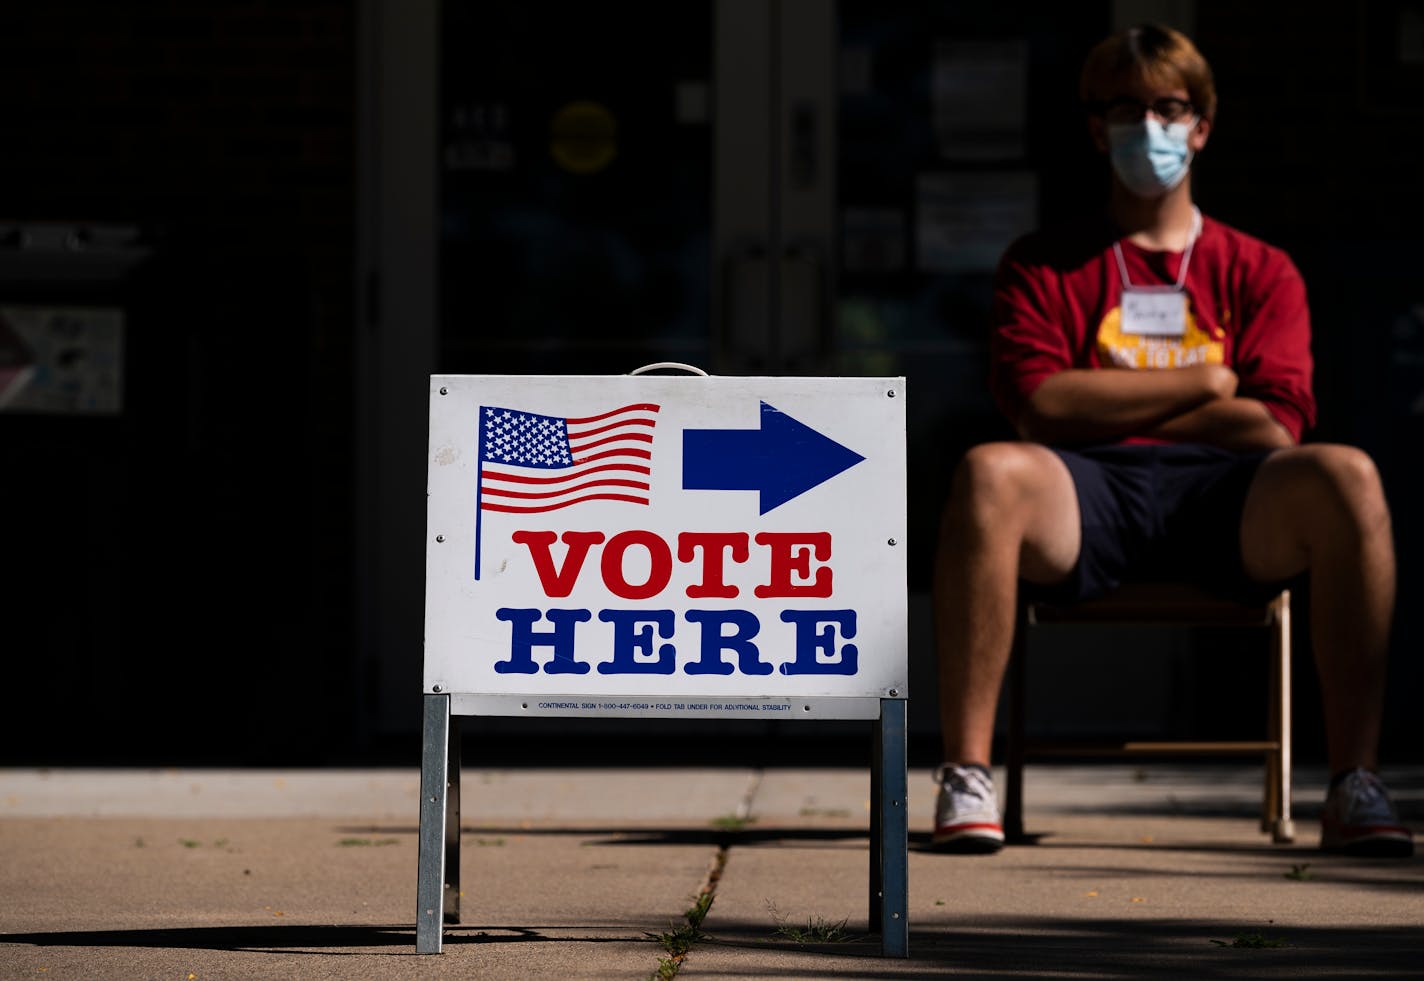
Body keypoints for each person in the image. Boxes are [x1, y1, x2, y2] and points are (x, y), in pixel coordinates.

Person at [930, 23, 1413, 858]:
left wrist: (1110, 401)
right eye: (1125, 108)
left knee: (1349, 475)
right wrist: (1206, 382)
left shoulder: (1260, 269)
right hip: (1086, 492)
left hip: (1231, 499)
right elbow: (1040, 408)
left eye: (1168, 107)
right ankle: (966, 773)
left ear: (1203, 123)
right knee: (987, 472)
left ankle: (1354, 782)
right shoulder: (1043, 264)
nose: (1148, 127)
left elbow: (1275, 421)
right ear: (1093, 125)